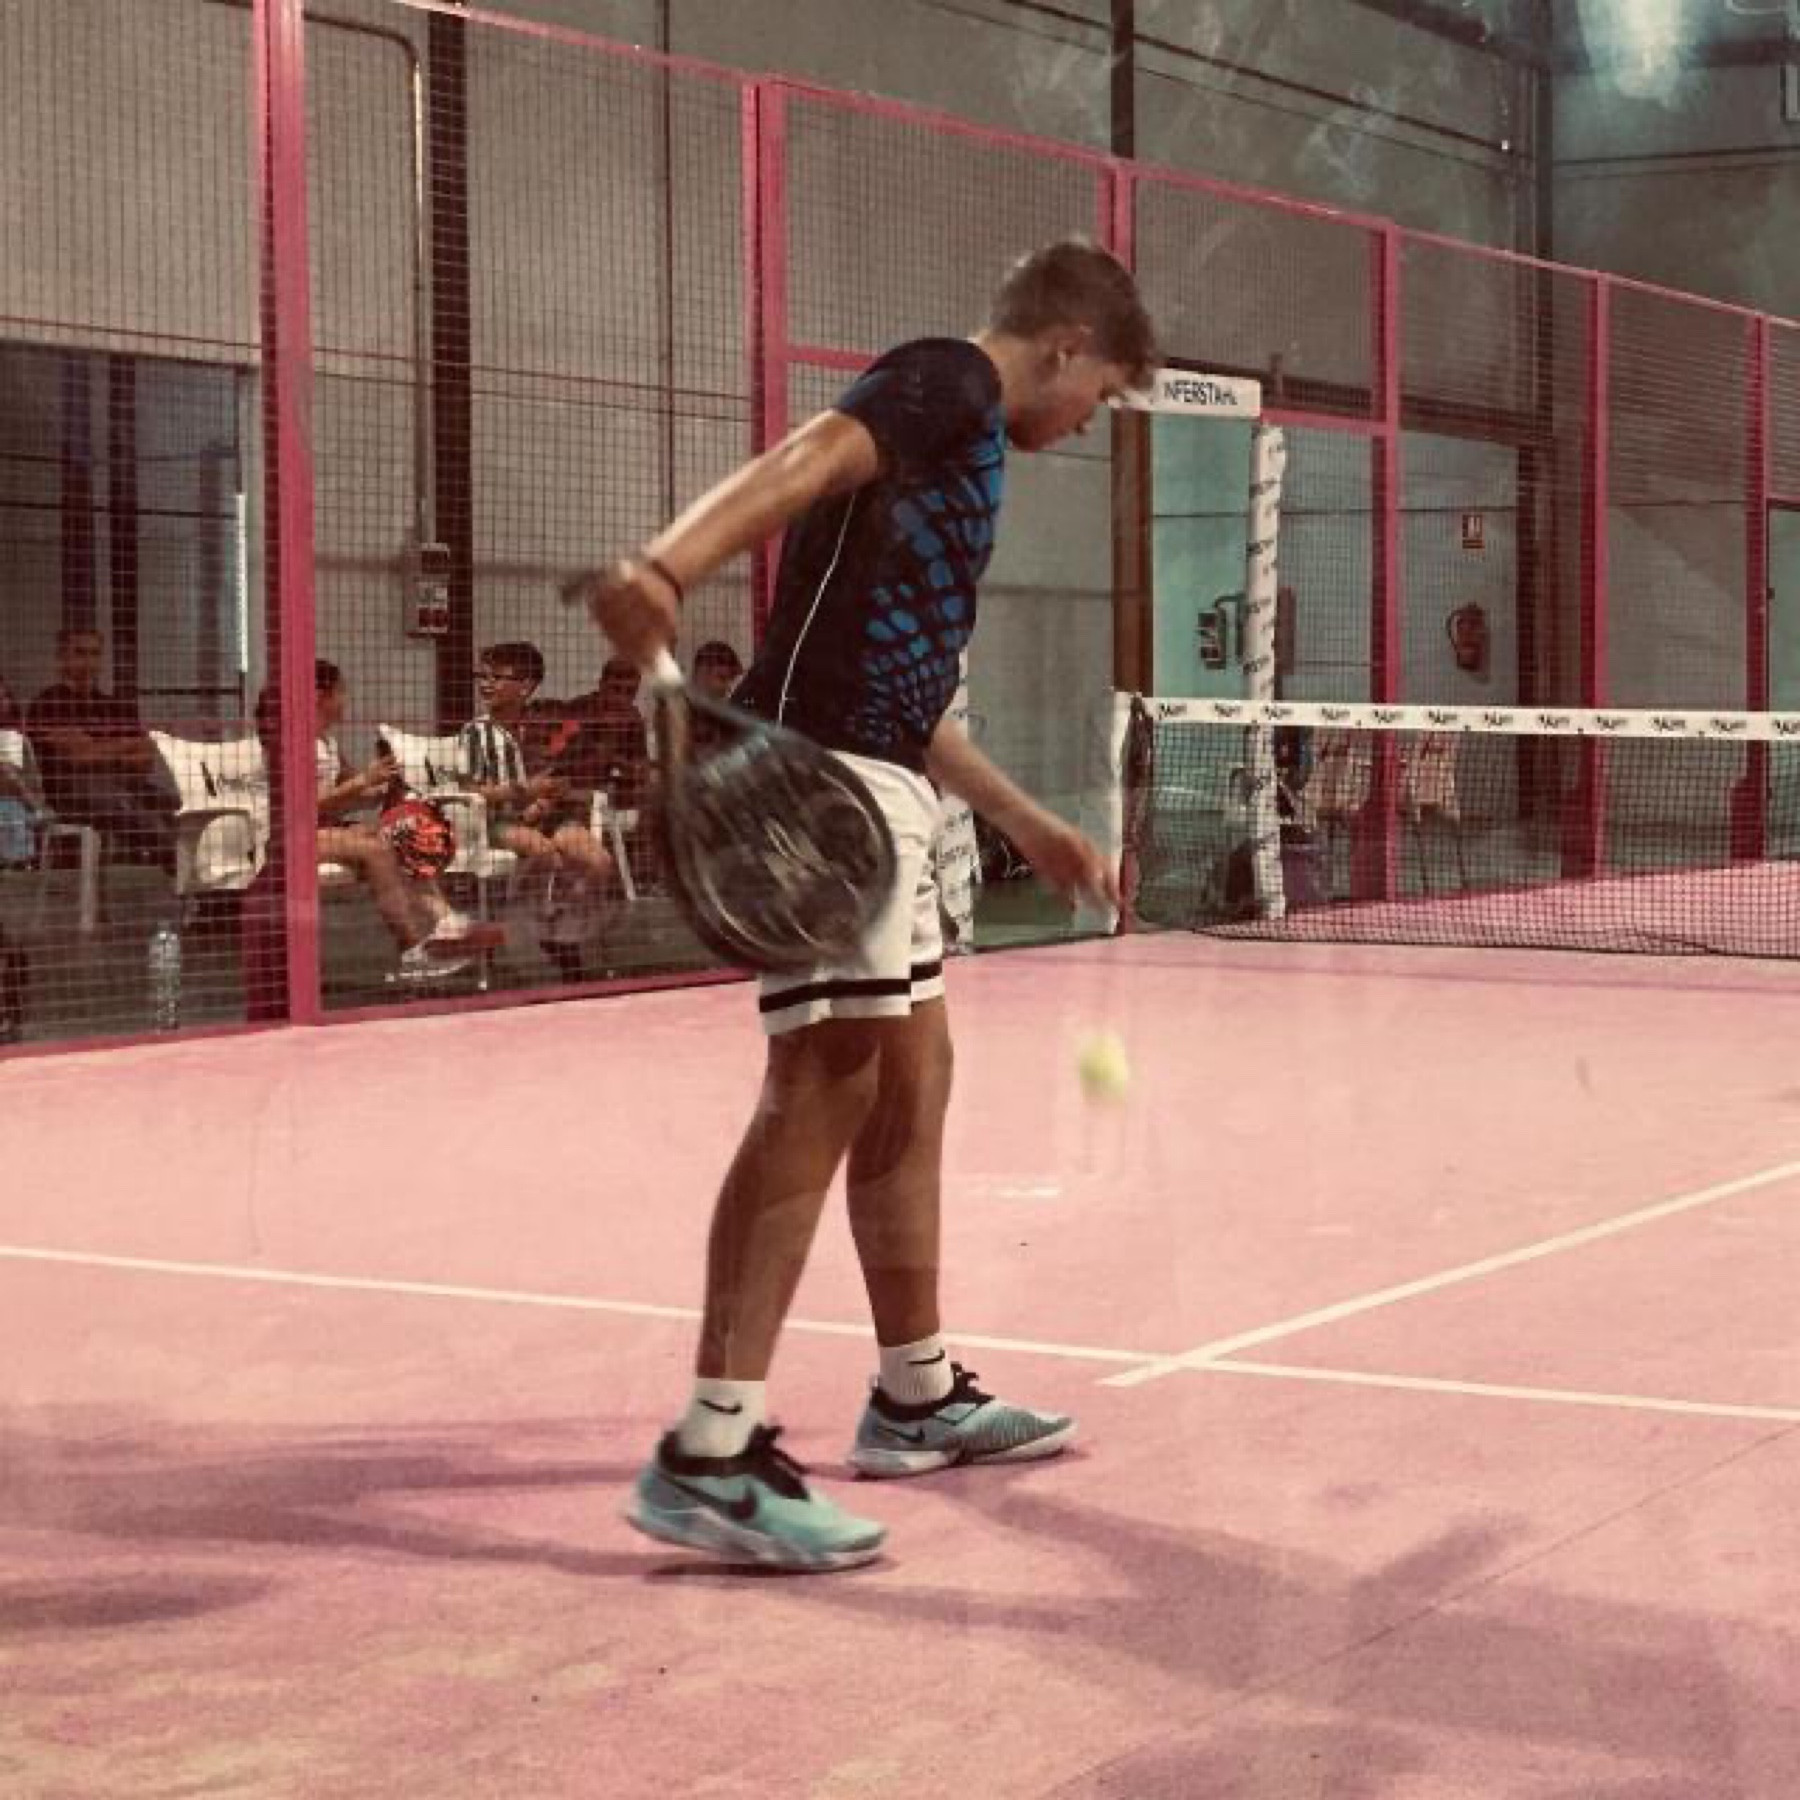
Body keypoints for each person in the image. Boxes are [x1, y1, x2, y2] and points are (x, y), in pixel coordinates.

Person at [584, 238, 1156, 1571]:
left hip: (882, 773)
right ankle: (711, 1452)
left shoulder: (968, 453)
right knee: (823, 1084)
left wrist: (1029, 824)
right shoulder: (948, 380)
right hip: (819, 787)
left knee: (913, 1076)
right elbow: (809, 456)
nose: (1092, 423)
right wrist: (665, 569)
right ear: (1068, 345)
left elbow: (912, 690)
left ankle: (916, 1394)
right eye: (1105, 394)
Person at [258, 662, 501, 982]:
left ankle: (445, 919)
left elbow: (350, 795)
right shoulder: (290, 742)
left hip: (327, 832)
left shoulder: (327, 742)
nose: (346, 700)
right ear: (319, 696)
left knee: (397, 834)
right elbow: (301, 806)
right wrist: (364, 780)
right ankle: (412, 950)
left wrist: (384, 788)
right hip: (290, 837)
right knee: (374, 850)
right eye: (341, 692)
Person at [458, 641, 615, 981]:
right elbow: (470, 791)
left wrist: (544, 802)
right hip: (498, 821)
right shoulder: (475, 733)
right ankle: (531, 927)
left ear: (526, 686)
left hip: (550, 816)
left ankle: (562, 932)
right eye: (482, 676)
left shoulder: (546, 725)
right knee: (543, 851)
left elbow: (561, 777)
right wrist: (524, 794)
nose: (486, 684)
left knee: (599, 862)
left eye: (497, 677)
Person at [25, 627, 174, 868]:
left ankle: (187, 864)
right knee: (120, 803)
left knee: (174, 806)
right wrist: (122, 748)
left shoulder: (113, 706)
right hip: (69, 792)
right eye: (80, 653)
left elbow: (146, 756)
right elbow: (79, 757)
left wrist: (98, 748)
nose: (88, 661)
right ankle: (175, 860)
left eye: (95, 653)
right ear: (62, 657)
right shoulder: (48, 703)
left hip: (122, 785)